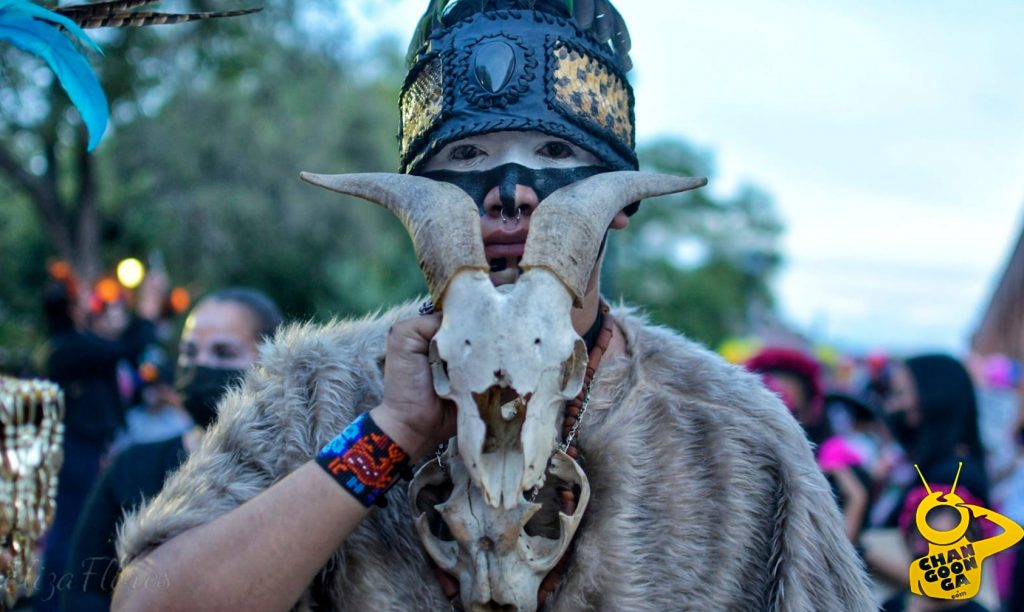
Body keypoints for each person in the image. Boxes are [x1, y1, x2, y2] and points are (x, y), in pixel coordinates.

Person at [113, 1, 872, 610]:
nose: (512, 196)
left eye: (555, 155)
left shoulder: (735, 436)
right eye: (465, 158)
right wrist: (390, 432)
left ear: (622, 203)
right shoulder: (314, 392)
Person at [60, 288, 283, 611]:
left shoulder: (293, 475)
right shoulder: (132, 467)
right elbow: (83, 590)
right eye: (189, 352)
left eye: (223, 353)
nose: (201, 364)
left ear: (272, 363)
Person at [35, 271, 166, 612]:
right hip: (77, 449)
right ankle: (52, 604)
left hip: (86, 448)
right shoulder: (69, 347)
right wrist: (147, 310)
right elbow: (126, 348)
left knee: (75, 528)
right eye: (83, 300)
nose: (90, 304)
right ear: (70, 310)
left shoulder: (74, 345)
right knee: (71, 529)